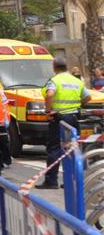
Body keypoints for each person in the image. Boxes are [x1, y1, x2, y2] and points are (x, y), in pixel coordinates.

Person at [38, 56, 91, 190]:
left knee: (54, 148)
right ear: (66, 67)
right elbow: (88, 97)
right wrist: (77, 105)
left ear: (54, 67)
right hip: (73, 118)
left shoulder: (55, 80)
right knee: (72, 148)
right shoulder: (76, 80)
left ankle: (51, 181)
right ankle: (70, 180)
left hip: (59, 118)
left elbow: (49, 95)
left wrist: (48, 111)